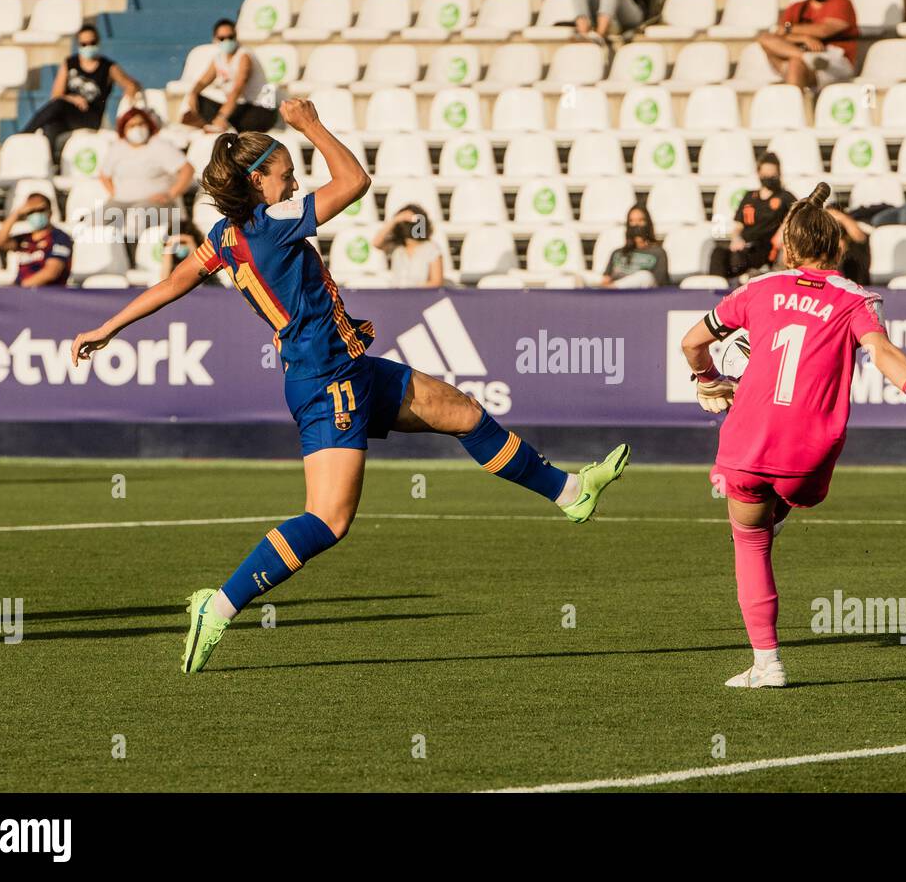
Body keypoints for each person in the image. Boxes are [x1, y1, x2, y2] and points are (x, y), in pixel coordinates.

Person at [70, 98, 630, 675]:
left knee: (461, 412)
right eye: (285, 174)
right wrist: (309, 125)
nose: (293, 184)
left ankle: (569, 492)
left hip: (348, 365)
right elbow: (355, 181)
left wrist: (108, 327)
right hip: (325, 378)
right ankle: (219, 605)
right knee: (330, 519)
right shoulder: (273, 224)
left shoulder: (227, 235)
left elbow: (174, 282)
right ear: (257, 178)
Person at [680, 182, 906, 688]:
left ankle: (767, 665)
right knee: (784, 497)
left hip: (747, 444)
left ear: (787, 248)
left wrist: (707, 380)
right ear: (838, 247)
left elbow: (693, 342)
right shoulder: (856, 299)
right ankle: (778, 509)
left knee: (748, 540)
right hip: (810, 459)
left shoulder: (756, 290)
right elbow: (881, 352)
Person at [21, 25, 141, 160]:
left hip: (90, 116)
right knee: (51, 125)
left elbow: (131, 85)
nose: (88, 47)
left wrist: (128, 100)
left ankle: (22, 135)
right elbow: (56, 95)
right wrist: (73, 99)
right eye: (84, 44)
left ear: (98, 42)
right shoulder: (70, 63)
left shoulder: (107, 67)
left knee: (58, 105)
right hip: (68, 113)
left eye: (92, 43)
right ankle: (50, 161)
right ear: (78, 45)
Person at [99, 108, 195, 243]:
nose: (137, 128)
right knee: (98, 220)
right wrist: (115, 193)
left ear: (149, 125)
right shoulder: (117, 147)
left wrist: (170, 194)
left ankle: (134, 257)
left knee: (137, 216)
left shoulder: (160, 146)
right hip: (121, 201)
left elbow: (187, 170)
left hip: (155, 203)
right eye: (132, 125)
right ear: (124, 129)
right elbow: (104, 175)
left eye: (141, 124)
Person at [756, 0, 858, 90]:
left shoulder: (841, 3)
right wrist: (804, 38)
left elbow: (823, 30)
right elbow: (782, 31)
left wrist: (790, 29)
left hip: (833, 58)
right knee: (765, 38)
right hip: (804, 55)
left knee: (795, 65)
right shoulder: (797, 7)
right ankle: (806, 58)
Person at [183, 19, 279, 134]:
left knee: (243, 118)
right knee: (199, 100)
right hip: (239, 106)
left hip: (260, 108)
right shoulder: (219, 58)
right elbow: (203, 81)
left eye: (230, 37)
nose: (227, 41)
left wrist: (222, 116)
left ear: (236, 36)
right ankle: (219, 124)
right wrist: (193, 93)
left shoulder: (245, 56)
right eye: (222, 38)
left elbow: (238, 89)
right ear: (215, 39)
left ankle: (219, 123)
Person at [709, 153, 794, 279]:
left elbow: (797, 217)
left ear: (778, 173)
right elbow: (738, 225)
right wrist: (736, 238)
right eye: (765, 173)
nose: (769, 177)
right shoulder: (749, 196)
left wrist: (782, 233)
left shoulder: (785, 197)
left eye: (772, 173)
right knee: (718, 254)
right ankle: (716, 292)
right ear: (759, 173)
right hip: (745, 247)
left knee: (745, 259)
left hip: (767, 248)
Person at [0, 192, 72, 288]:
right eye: (31, 211)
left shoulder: (60, 237)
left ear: (50, 212)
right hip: (21, 294)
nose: (36, 214)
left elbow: (51, 272)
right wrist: (16, 214)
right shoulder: (25, 239)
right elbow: (0, 241)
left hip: (46, 293)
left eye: (40, 210)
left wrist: (19, 289)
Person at [373, 205, 444, 288]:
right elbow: (376, 243)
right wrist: (396, 219)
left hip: (421, 297)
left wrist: (411, 292)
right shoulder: (396, 247)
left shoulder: (431, 248)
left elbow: (436, 282)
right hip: (397, 297)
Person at [601, 206, 669, 287]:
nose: (636, 225)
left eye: (641, 220)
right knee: (583, 275)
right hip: (612, 292)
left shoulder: (658, 252)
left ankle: (613, 287)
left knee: (645, 276)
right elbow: (606, 278)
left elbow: (657, 283)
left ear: (648, 223)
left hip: (639, 293)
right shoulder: (617, 253)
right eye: (632, 221)